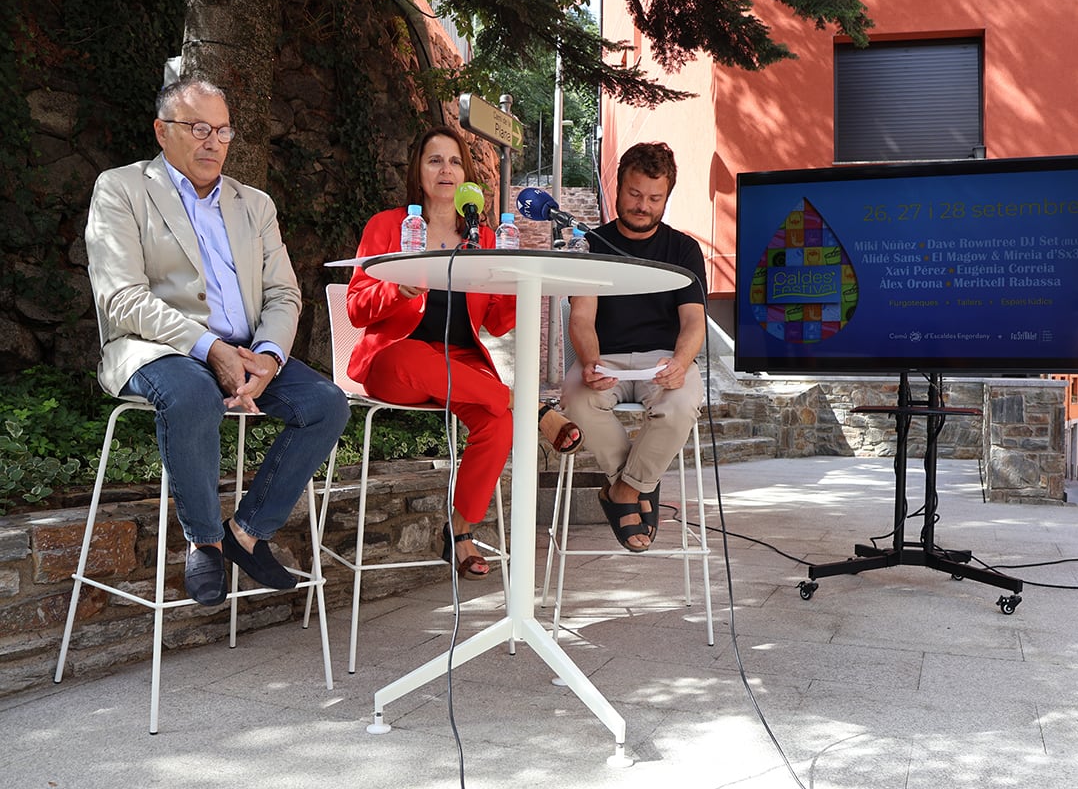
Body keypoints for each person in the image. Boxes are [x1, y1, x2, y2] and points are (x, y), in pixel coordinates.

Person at [85, 79, 351, 606]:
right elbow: (121, 296)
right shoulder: (121, 188)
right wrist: (209, 348)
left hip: (248, 348)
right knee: (192, 394)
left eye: (223, 130)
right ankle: (204, 540)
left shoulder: (254, 204)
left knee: (326, 403)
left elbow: (283, 292)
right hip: (157, 347)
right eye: (198, 128)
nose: (212, 142)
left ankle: (246, 534)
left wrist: (270, 357)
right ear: (162, 132)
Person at [346, 125, 582, 580]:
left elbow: (495, 321)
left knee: (498, 420)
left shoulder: (483, 237)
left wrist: (518, 285)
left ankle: (459, 531)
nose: (446, 170)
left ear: (467, 176)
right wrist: (395, 290)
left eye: (455, 161)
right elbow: (357, 308)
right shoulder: (387, 226)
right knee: (408, 360)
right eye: (435, 160)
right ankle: (534, 407)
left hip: (458, 364)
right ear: (418, 171)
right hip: (395, 360)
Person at [563, 142, 707, 552]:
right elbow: (581, 319)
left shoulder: (683, 250)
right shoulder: (589, 244)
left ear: (667, 197)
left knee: (680, 405)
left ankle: (624, 491)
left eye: (654, 197)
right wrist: (590, 363)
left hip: (662, 361)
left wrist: (681, 363)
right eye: (634, 193)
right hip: (604, 357)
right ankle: (640, 485)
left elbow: (694, 320)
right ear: (617, 188)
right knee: (576, 399)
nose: (643, 205)